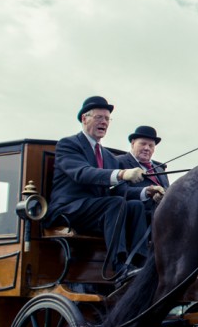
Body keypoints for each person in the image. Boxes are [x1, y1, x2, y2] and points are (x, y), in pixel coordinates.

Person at [46, 96, 150, 277]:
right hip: (70, 208)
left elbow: (120, 190)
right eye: (99, 117)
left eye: (107, 119)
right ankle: (118, 266)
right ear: (84, 119)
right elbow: (82, 173)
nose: (104, 122)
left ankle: (138, 263)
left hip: (97, 211)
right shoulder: (68, 144)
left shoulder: (109, 156)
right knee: (115, 204)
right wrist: (122, 174)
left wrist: (145, 191)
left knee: (135, 206)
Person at [117, 125, 168, 218]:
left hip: (163, 215)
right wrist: (147, 192)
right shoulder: (119, 161)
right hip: (138, 216)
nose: (147, 148)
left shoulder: (160, 170)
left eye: (151, 145)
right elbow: (117, 190)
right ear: (132, 143)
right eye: (143, 144)